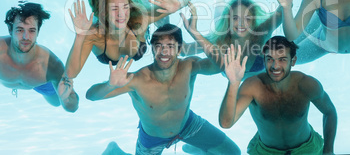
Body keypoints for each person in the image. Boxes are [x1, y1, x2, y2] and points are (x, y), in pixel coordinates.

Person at [86, 23, 240, 155]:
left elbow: (219, 65)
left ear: (179, 50)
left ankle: (199, 149)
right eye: (158, 46)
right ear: (152, 49)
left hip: (187, 125)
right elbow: (91, 96)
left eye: (170, 46)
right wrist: (110, 85)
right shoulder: (138, 80)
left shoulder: (188, 66)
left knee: (233, 152)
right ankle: (115, 151)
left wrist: (194, 32)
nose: (164, 52)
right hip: (152, 138)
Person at [219, 36, 337, 154]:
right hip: (266, 151)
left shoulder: (307, 85)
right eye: (270, 59)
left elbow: (330, 112)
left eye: (282, 59)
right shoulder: (252, 87)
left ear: (293, 61)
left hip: (307, 148)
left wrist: (328, 150)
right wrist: (233, 83)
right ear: (264, 60)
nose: (275, 66)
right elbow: (226, 123)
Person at [0, 2, 78, 112]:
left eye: (31, 30)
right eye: (20, 30)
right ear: (10, 31)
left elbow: (71, 107)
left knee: (56, 103)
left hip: (39, 82)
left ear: (38, 32)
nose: (25, 37)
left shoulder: (51, 66)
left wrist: (65, 99)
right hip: (8, 79)